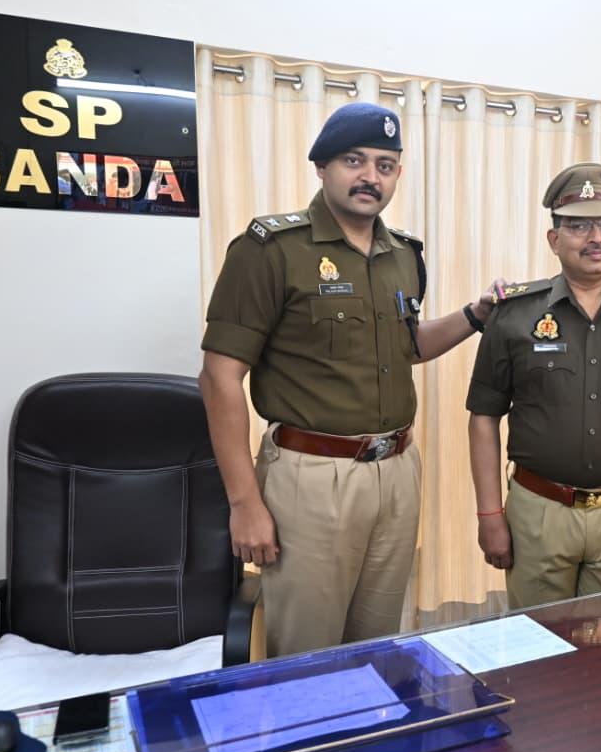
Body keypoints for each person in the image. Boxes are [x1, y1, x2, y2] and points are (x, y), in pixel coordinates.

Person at [199, 102, 501, 657]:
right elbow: (220, 378)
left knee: (376, 643)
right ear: (322, 166)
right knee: (306, 650)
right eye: (354, 161)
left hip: (396, 471)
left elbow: (406, 347)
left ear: (398, 174)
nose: (370, 177)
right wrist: (244, 502)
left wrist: (474, 316)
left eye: (384, 166)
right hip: (311, 476)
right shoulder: (271, 250)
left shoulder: (403, 255)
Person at [466, 163, 601, 610]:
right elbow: (484, 417)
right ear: (554, 239)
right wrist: (490, 514)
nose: (596, 237)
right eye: (579, 226)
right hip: (539, 511)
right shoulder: (514, 313)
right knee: (537, 640)